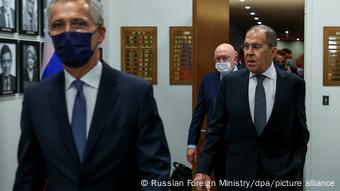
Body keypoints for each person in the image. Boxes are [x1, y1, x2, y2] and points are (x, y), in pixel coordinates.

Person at [13, 0, 171, 190]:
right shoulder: (36, 98)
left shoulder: (135, 93)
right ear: (50, 34)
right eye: (58, 25)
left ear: (100, 33)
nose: (67, 32)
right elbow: (28, 175)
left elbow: (155, 170)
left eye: (79, 23)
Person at [194, 25, 310, 191]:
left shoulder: (293, 84)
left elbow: (300, 132)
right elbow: (216, 128)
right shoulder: (230, 83)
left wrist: (296, 168)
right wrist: (203, 169)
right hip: (238, 175)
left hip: (280, 177)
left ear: (273, 51)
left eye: (256, 46)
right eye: (246, 46)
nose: (248, 52)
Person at [186, 43, 238, 190]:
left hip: (241, 145)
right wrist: (192, 143)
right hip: (218, 144)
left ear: (235, 59)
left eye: (225, 58)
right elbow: (198, 113)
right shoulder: (208, 81)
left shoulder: (247, 77)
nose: (221, 62)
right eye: (218, 59)